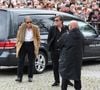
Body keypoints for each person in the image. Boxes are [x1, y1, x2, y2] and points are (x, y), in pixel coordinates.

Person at [58, 20, 84, 90]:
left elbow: (59, 44)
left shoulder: (66, 35)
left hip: (67, 60)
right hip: (77, 60)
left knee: (65, 76)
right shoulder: (81, 35)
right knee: (77, 77)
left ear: (71, 27)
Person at [47, 16, 73, 86]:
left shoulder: (66, 28)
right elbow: (49, 39)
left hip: (64, 51)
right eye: (54, 20)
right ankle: (57, 81)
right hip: (54, 50)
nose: (55, 21)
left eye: (57, 20)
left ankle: (67, 80)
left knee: (65, 66)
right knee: (55, 66)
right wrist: (50, 46)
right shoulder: (52, 28)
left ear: (61, 21)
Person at [15, 16, 40, 82]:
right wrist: (17, 43)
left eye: (30, 22)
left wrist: (37, 45)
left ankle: (30, 77)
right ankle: (19, 77)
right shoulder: (21, 27)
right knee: (20, 61)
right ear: (25, 23)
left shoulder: (35, 28)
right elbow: (18, 36)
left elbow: (38, 37)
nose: (29, 23)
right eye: (27, 22)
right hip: (23, 44)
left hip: (31, 44)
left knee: (31, 61)